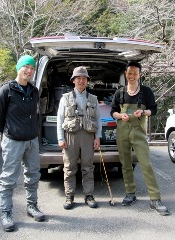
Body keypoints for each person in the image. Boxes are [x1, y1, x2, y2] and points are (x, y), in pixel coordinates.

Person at [0, 55, 46, 232]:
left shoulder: (33, 90)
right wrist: (9, 133)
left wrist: (33, 133)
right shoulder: (6, 91)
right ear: (18, 68)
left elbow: (36, 114)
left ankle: (32, 206)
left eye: (32, 68)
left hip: (32, 140)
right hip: (13, 141)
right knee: (8, 179)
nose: (29, 71)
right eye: (26, 67)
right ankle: (6, 213)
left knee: (33, 175)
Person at [110, 61, 169, 216]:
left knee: (146, 164)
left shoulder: (146, 91)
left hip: (138, 132)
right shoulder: (120, 92)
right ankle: (130, 193)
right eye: (129, 73)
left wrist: (143, 113)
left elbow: (153, 110)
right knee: (125, 164)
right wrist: (120, 115)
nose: (132, 76)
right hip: (122, 130)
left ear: (139, 75)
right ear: (125, 73)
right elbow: (113, 112)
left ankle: (155, 198)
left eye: (135, 73)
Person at [57, 66, 102, 210]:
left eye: (84, 78)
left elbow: (99, 120)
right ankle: (69, 196)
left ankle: (89, 195)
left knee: (88, 167)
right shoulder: (65, 98)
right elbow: (60, 119)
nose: (81, 81)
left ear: (87, 81)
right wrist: (60, 138)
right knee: (69, 167)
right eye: (79, 78)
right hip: (70, 136)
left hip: (88, 136)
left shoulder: (94, 99)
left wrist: (98, 137)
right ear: (73, 81)